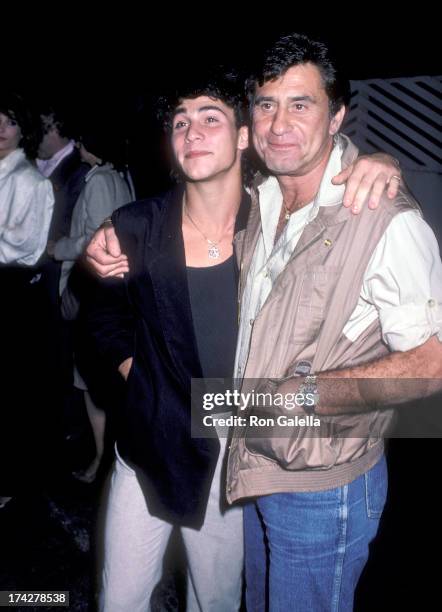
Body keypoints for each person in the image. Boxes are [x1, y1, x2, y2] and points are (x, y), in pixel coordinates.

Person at [85, 64, 403, 610]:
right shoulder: (135, 225)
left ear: (243, 137)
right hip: (147, 448)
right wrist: (137, 378)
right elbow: (102, 319)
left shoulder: (277, 220)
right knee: (119, 600)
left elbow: (326, 167)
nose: (192, 133)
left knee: (220, 598)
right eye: (181, 123)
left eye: (211, 119)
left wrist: (381, 162)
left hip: (232, 455)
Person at [221, 34, 442, 611]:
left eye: (301, 104)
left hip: (324, 483)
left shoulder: (384, 219)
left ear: (338, 113)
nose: (278, 123)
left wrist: (307, 397)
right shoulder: (256, 197)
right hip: (255, 457)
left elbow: (432, 364)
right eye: (266, 104)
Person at [53, 120, 132, 483]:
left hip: (96, 286)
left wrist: (57, 250)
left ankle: (101, 459)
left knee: (89, 376)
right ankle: (105, 456)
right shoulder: (119, 175)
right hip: (111, 287)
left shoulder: (101, 180)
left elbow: (93, 238)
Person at [0, 93, 54, 509]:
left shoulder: (29, 181)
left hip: (10, 293)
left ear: (24, 130)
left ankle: (9, 481)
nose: (1, 129)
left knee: (11, 393)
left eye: (10, 122)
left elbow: (23, 246)